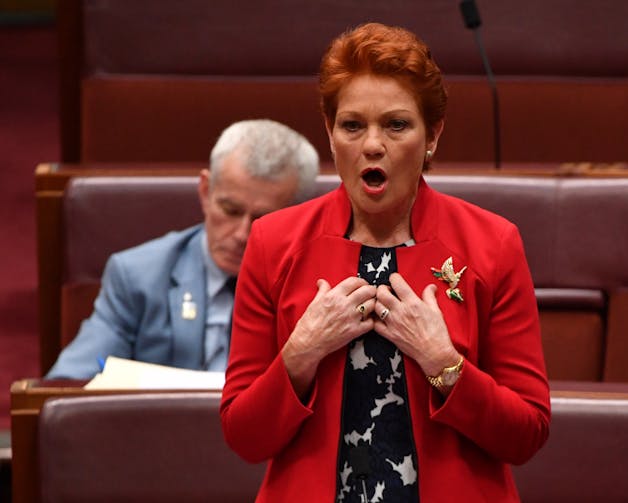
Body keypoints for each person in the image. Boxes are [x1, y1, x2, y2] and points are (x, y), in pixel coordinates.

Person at [221, 23, 550, 502]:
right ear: (330, 135)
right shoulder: (275, 242)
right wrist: (301, 355)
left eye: (396, 125)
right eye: (352, 125)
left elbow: (527, 434)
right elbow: (243, 436)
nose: (372, 144)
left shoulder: (492, 243)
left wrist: (444, 364)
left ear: (432, 134)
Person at [46, 119, 320, 379]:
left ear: (299, 216)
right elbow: (68, 384)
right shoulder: (137, 276)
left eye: (263, 220)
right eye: (230, 210)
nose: (241, 234)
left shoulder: (321, 285)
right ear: (205, 192)